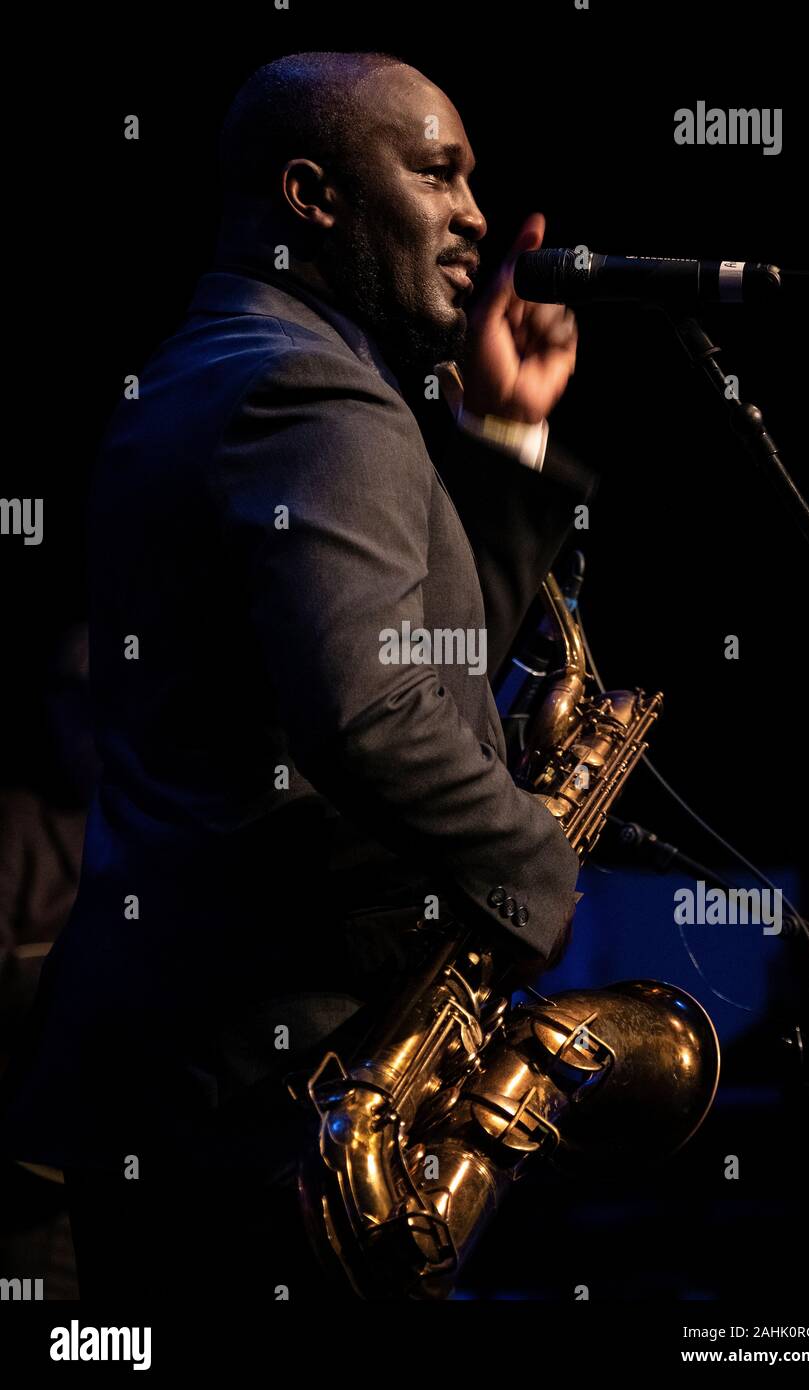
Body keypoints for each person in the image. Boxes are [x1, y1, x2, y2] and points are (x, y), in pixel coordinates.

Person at [0, 51, 598, 1301]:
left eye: (473, 179)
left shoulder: (207, 362)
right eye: (436, 171)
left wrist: (499, 440)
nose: (477, 216)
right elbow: (372, 713)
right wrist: (535, 868)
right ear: (311, 195)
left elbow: (405, 674)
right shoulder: (312, 388)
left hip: (175, 1071)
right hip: (271, 1089)